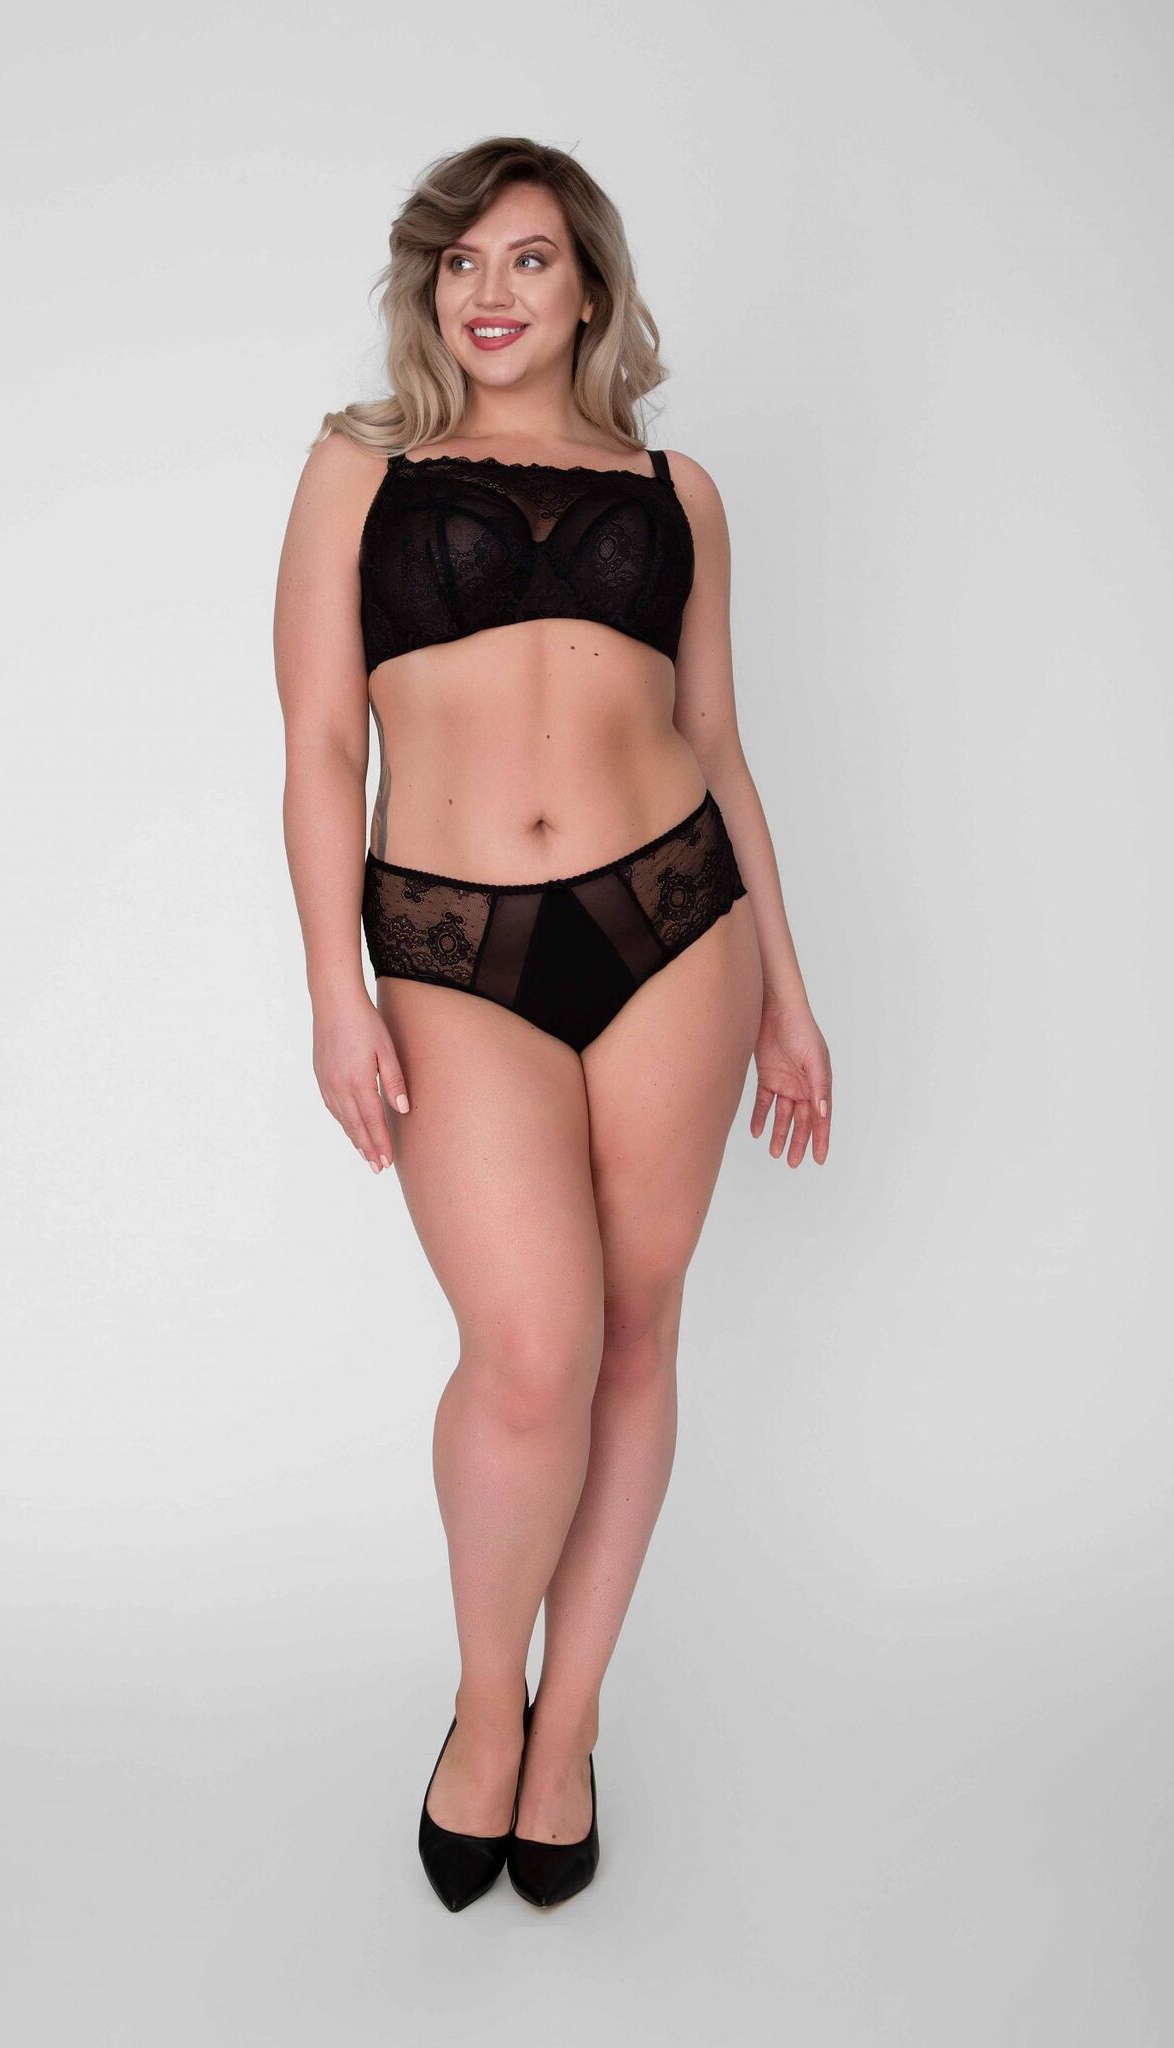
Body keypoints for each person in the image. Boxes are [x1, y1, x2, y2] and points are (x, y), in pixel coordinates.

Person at [272, 135, 833, 1912]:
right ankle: (480, 1705)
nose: (489, 293)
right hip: (451, 947)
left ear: (587, 285)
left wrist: (788, 994)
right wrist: (331, 988)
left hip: (676, 929)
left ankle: (568, 1723)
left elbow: (717, 742)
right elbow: (318, 744)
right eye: (459, 263)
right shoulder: (358, 468)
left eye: (525, 259)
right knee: (531, 1354)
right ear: (427, 290)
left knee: (636, 1335)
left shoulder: (679, 489)